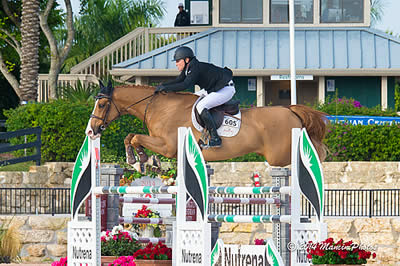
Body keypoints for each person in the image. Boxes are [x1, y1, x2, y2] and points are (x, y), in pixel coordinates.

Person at [155, 46, 235, 148]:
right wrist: (163, 86)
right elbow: (179, 80)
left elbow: (185, 85)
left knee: (201, 106)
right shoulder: (189, 67)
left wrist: (166, 89)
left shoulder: (194, 68)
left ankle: (215, 138)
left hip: (225, 89)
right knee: (192, 99)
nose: (176, 63)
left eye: (178, 61)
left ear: (186, 60)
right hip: (213, 88)